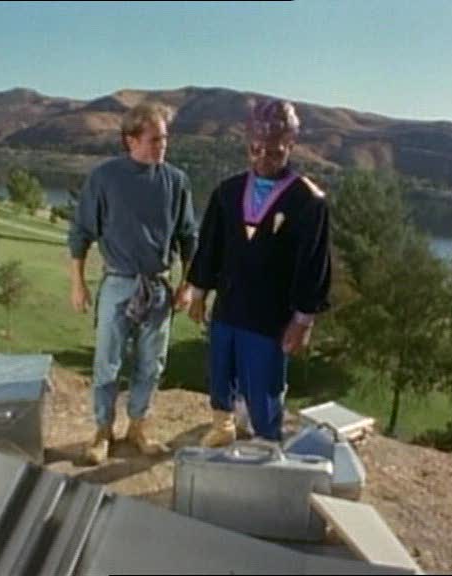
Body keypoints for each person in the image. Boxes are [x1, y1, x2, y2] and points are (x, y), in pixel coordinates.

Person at [186, 98, 331, 446]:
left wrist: (303, 320)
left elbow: (313, 264)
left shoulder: (309, 201)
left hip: (271, 317)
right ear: (247, 143)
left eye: (274, 150)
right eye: (255, 149)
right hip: (228, 307)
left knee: (264, 381)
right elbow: (210, 245)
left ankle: (266, 441)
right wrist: (199, 292)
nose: (263, 157)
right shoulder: (228, 190)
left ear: (290, 144)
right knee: (221, 369)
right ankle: (223, 425)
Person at [69, 102, 197, 465]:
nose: (162, 145)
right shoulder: (105, 178)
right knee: (107, 362)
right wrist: (77, 283)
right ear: (131, 140)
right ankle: (102, 432)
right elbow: (80, 233)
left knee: (151, 364)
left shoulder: (176, 181)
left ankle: (137, 428)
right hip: (118, 285)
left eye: (165, 138)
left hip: (159, 287)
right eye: (155, 139)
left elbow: (189, 237)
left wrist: (187, 284)